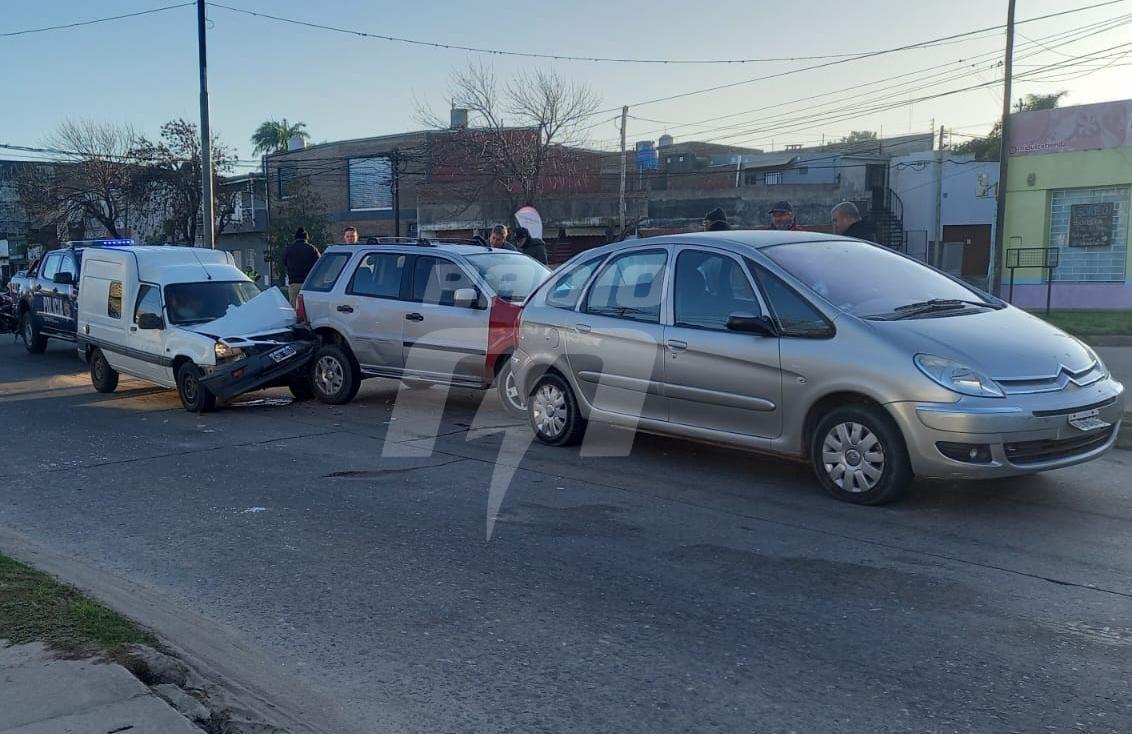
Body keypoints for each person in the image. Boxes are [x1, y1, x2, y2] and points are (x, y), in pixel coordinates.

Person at [283, 227, 321, 304]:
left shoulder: (289, 249)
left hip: (294, 283)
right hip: (309, 284)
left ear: (295, 237)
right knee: (309, 308)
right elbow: (319, 264)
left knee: (294, 308)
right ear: (306, 237)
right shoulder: (312, 248)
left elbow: (284, 262)